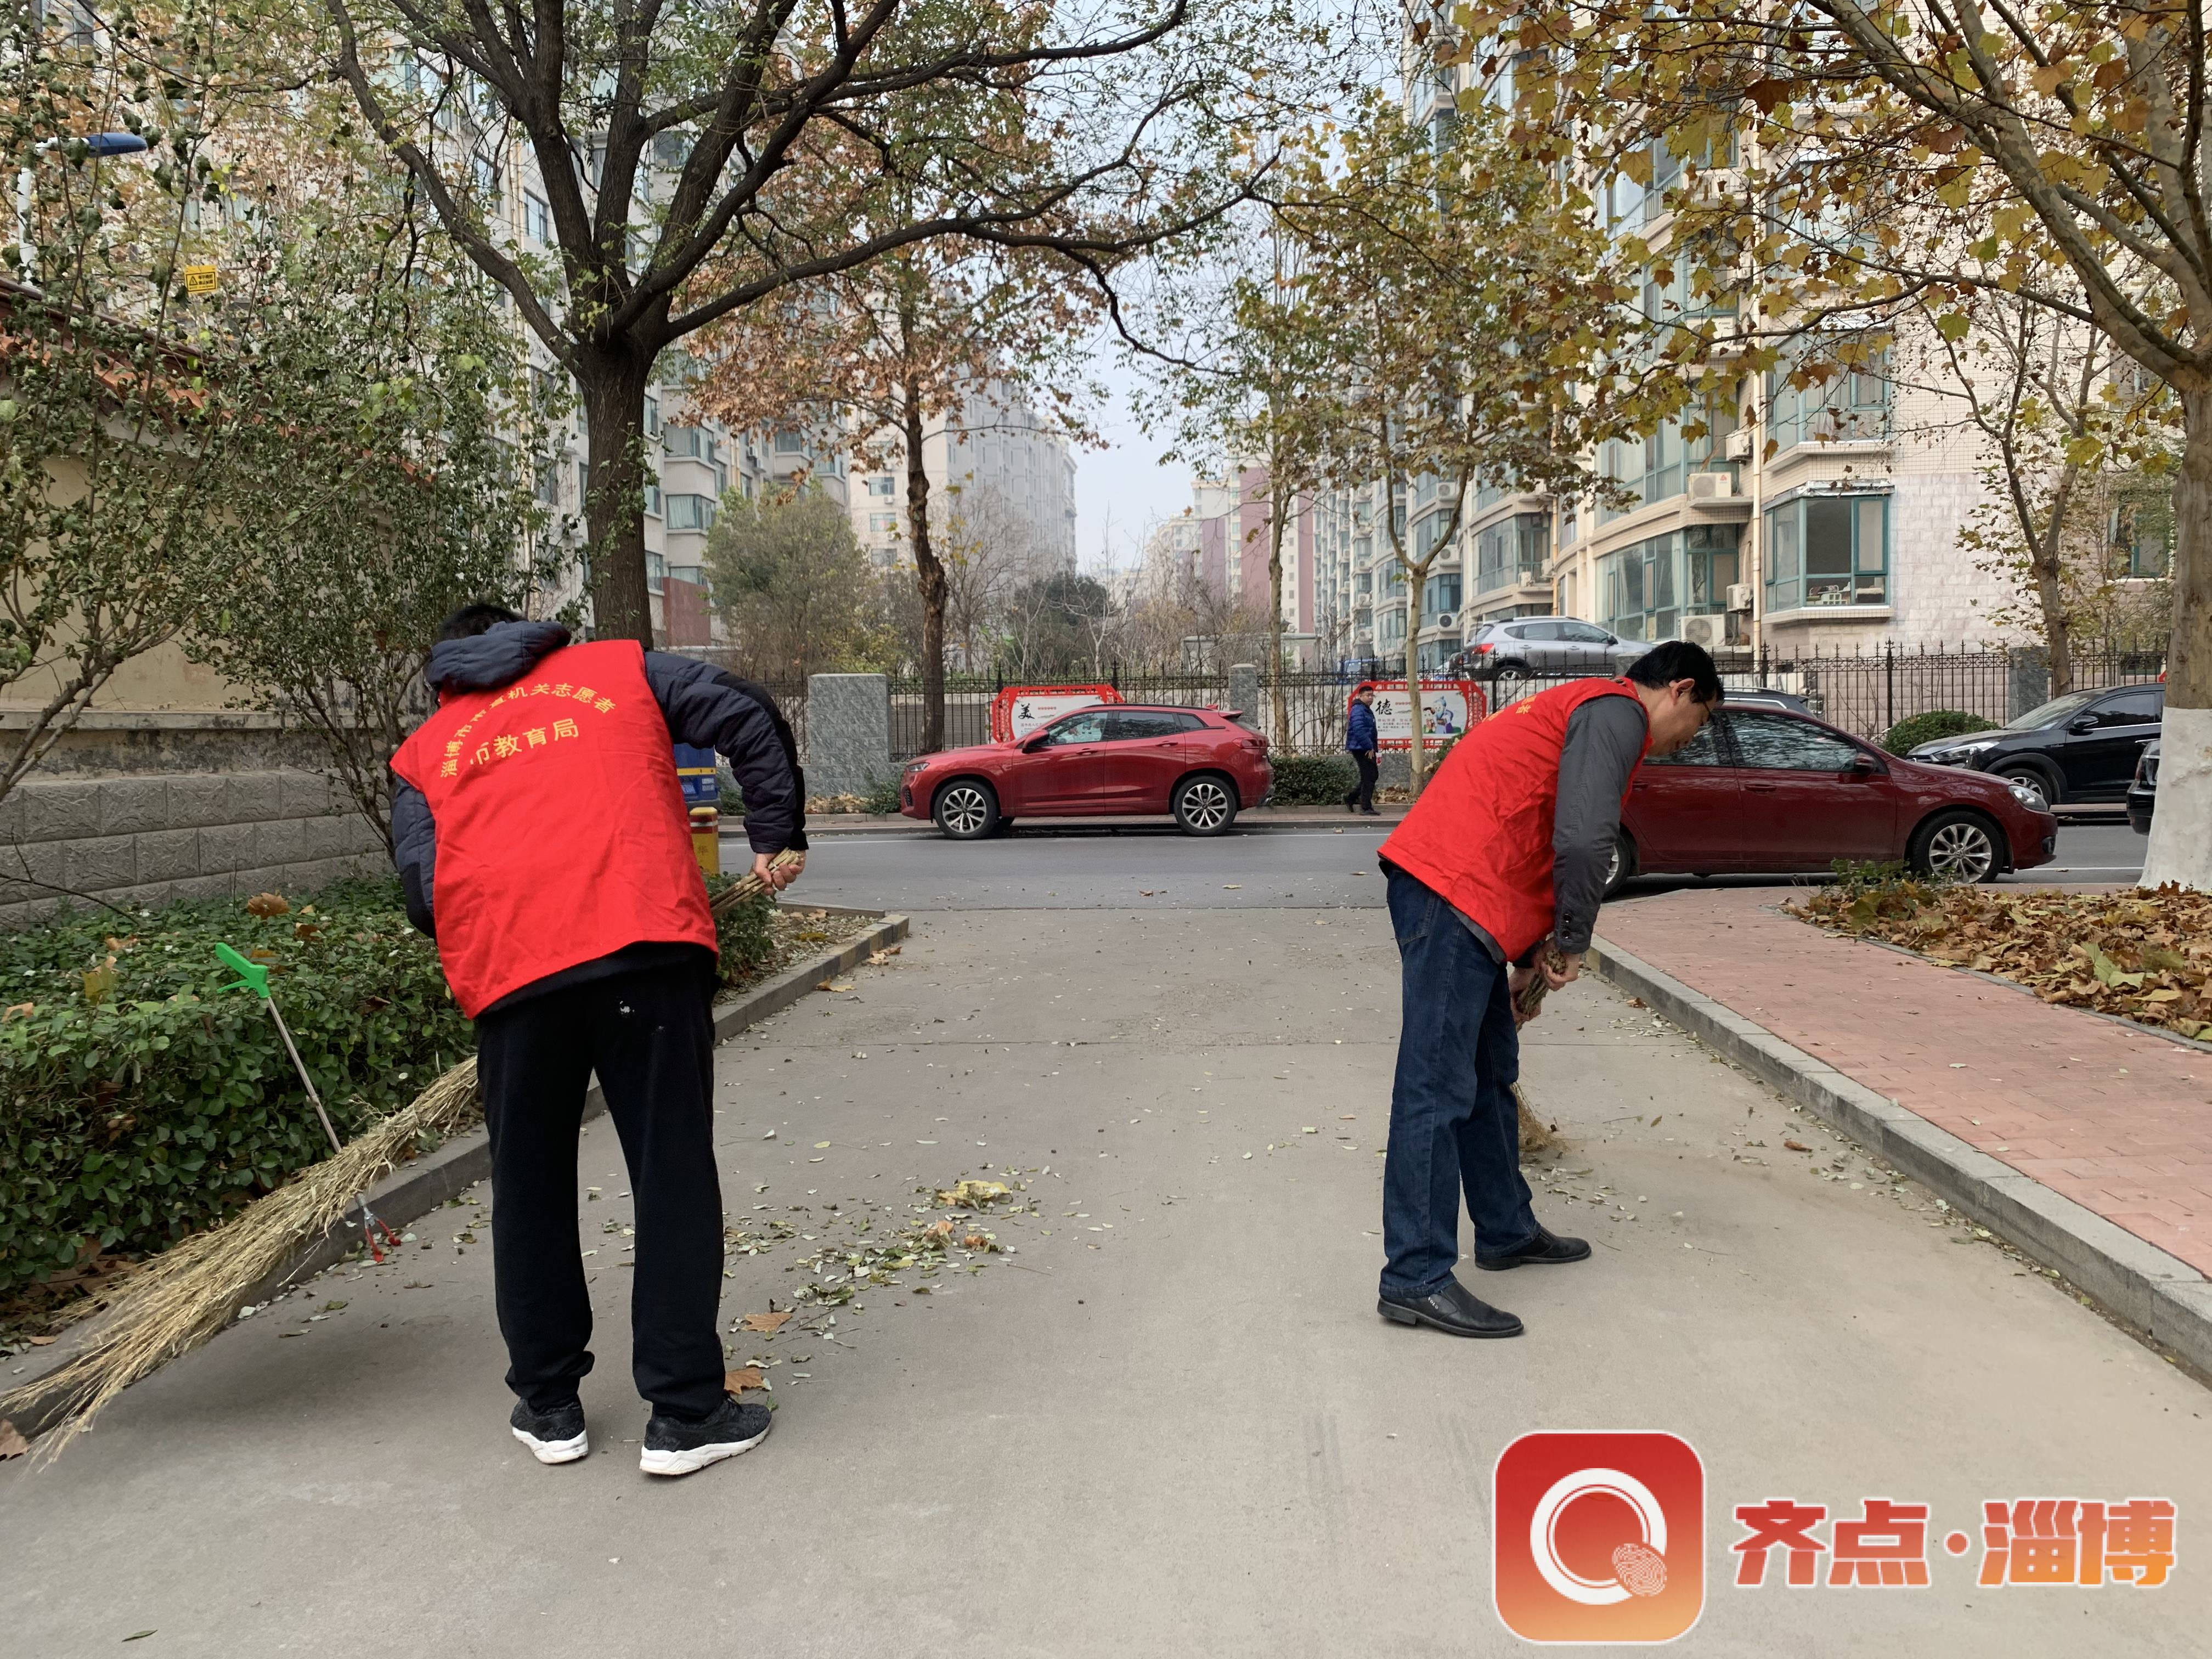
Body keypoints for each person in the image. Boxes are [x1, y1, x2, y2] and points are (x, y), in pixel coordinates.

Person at [388, 605, 808, 1476]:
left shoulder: (427, 751)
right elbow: (746, 713)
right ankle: (685, 1412)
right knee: (671, 1174)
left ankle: (549, 1407)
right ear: (531, 638)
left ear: (450, 670)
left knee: (529, 1188)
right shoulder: (625, 672)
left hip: (514, 978)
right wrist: (776, 832)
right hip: (644, 950)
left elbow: (426, 895)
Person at [1370, 641, 1723, 1338]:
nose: (1691, 739)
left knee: (1487, 1074)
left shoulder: (1586, 709)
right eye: (1701, 720)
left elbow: (1534, 821)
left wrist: (1534, 953)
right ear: (1681, 689)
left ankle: (1505, 1228)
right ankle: (1415, 1276)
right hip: (1453, 891)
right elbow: (1585, 840)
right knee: (1435, 1087)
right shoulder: (1617, 711)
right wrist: (1570, 939)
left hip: (1471, 898)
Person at [1344, 686, 1381, 815]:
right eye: (1367, 695)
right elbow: (1359, 730)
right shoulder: (1359, 710)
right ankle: (1365, 807)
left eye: (1372, 695)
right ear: (1360, 696)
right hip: (1362, 748)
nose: (1370, 697)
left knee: (1372, 775)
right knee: (1369, 776)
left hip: (1365, 747)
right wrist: (1369, 747)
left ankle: (1351, 798)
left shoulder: (1365, 709)